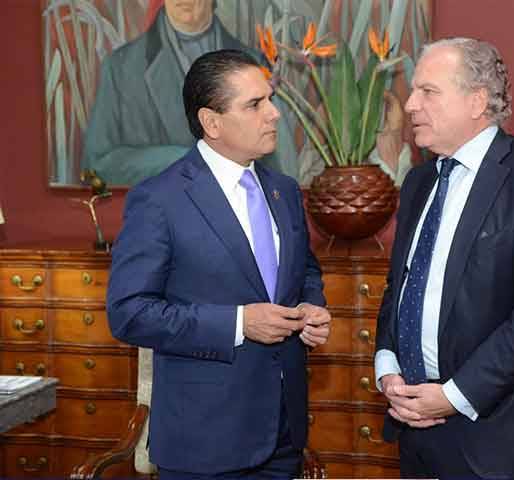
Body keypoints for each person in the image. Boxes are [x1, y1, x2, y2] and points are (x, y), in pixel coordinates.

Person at [107, 49, 330, 478]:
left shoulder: (284, 190)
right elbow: (129, 313)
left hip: (284, 435)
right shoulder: (159, 199)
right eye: (255, 104)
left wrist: (311, 307)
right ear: (212, 123)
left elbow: (304, 271)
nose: (274, 114)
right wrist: (239, 323)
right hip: (204, 442)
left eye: (270, 99)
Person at [374, 38, 514, 478]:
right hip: (412, 425)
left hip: (493, 435)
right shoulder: (418, 181)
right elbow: (402, 285)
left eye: (428, 91)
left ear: (477, 101)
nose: (410, 105)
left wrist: (453, 396)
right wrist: (388, 366)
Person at [82, 0, 294, 185]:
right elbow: (97, 164)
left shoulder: (256, 65)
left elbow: (281, 167)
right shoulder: (121, 67)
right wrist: (186, 159)